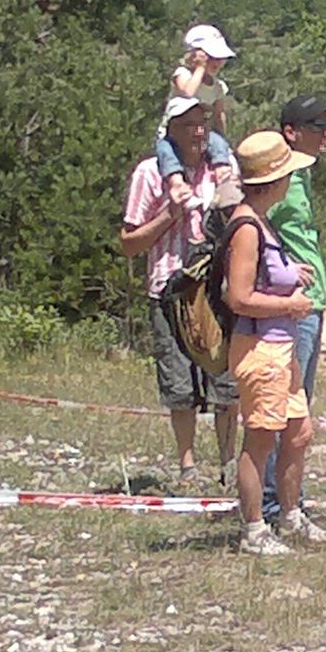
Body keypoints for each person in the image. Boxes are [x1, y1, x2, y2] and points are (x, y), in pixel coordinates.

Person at [119, 96, 238, 488]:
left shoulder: (221, 170)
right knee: (179, 384)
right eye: (188, 125)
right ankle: (187, 466)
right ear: (170, 131)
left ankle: (228, 463)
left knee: (225, 382)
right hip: (169, 289)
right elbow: (129, 242)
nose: (198, 132)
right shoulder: (150, 174)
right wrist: (169, 215)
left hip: (217, 289)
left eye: (202, 123)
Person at [223, 131, 326, 555]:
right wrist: (290, 303)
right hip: (261, 346)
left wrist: (292, 272)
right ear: (274, 181)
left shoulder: (261, 222)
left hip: (280, 347)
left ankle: (290, 516)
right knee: (260, 440)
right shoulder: (247, 227)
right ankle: (254, 529)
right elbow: (239, 296)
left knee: (299, 432)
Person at [262, 94, 326, 521]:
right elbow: (250, 221)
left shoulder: (301, 176)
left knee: (299, 412)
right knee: (285, 409)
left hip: (312, 301)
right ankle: (275, 505)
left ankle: (291, 503)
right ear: (290, 131)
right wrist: (283, 269)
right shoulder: (280, 180)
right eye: (317, 127)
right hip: (291, 306)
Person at [159, 24, 237, 209]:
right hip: (173, 133)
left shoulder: (218, 87)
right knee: (166, 151)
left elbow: (219, 115)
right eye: (211, 57)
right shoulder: (182, 74)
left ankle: (222, 176)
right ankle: (178, 184)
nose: (216, 62)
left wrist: (223, 141)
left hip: (203, 132)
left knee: (218, 143)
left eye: (220, 58)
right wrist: (200, 69)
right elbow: (188, 93)